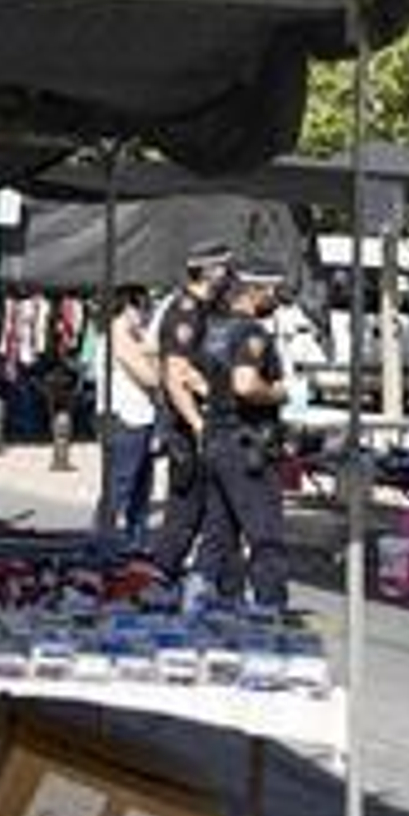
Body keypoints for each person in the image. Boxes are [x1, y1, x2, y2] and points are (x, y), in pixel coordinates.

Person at [192, 259, 291, 609]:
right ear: (256, 291)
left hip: (216, 438)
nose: (277, 297)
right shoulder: (251, 333)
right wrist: (279, 392)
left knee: (218, 535)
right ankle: (270, 609)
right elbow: (246, 384)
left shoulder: (213, 329)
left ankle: (201, 602)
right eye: (274, 290)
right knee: (266, 536)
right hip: (246, 443)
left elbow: (193, 377)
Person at [151, 241, 232, 579]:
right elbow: (175, 376)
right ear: (209, 270)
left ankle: (198, 585)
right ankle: (157, 581)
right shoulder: (185, 310)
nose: (230, 274)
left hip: (206, 423)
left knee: (211, 515)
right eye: (225, 268)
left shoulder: (209, 309)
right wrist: (198, 423)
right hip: (189, 430)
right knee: (184, 517)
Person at [97, 285, 160, 548]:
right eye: (143, 308)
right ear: (129, 307)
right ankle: (104, 544)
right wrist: (153, 354)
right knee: (120, 487)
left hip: (138, 417)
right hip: (125, 418)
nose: (145, 315)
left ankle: (134, 544)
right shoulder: (118, 335)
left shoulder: (131, 336)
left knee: (139, 490)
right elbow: (151, 377)